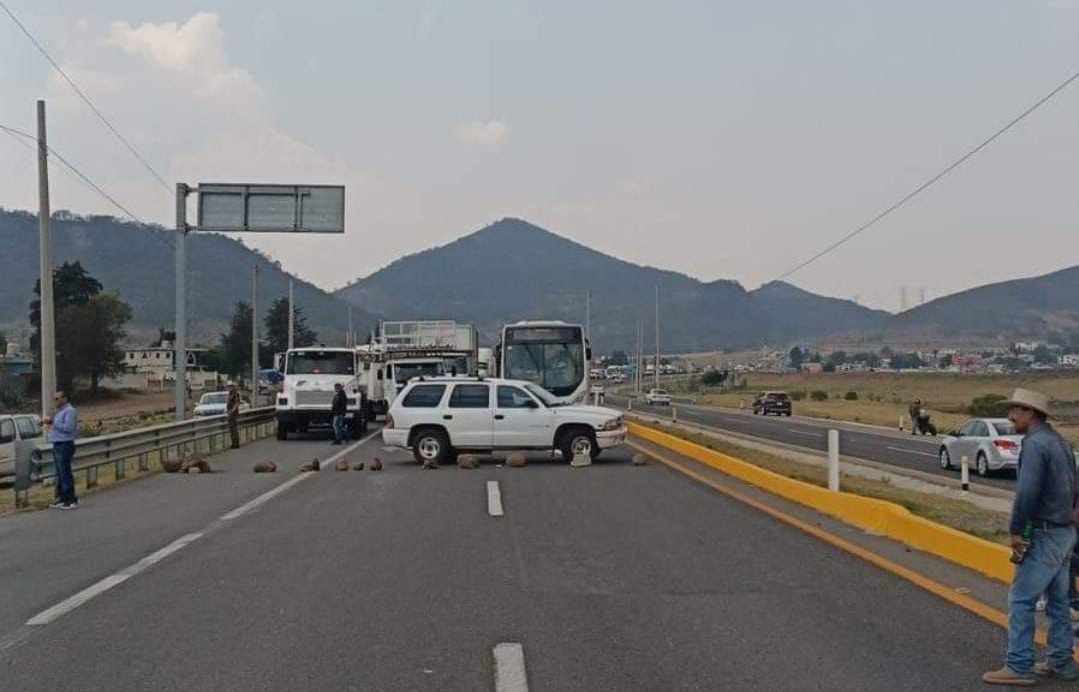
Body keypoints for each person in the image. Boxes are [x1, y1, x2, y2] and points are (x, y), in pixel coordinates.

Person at [984, 388, 1078, 686]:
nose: (1011, 416)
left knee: (1022, 598)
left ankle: (1019, 665)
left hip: (1045, 532)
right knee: (1059, 601)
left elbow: (1027, 493)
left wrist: (1016, 531)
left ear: (1031, 414)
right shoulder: (1058, 442)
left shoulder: (1035, 445)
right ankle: (1061, 661)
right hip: (1065, 532)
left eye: (1016, 410)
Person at [45, 390, 79, 510]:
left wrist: (54, 423)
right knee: (59, 474)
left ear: (64, 399)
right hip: (57, 444)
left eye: (57, 399)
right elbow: (57, 427)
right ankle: (62, 498)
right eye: (55, 399)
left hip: (65, 444)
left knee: (65, 473)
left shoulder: (70, 411)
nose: (55, 401)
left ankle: (71, 499)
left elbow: (69, 428)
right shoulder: (60, 413)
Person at [226, 382, 241, 449]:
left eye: (230, 386)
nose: (229, 387)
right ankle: (233, 443)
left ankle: (236, 444)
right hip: (230, 413)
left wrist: (232, 411)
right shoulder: (230, 393)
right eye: (228, 386)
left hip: (233, 414)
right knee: (232, 429)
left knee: (233, 429)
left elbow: (237, 403)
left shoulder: (235, 394)